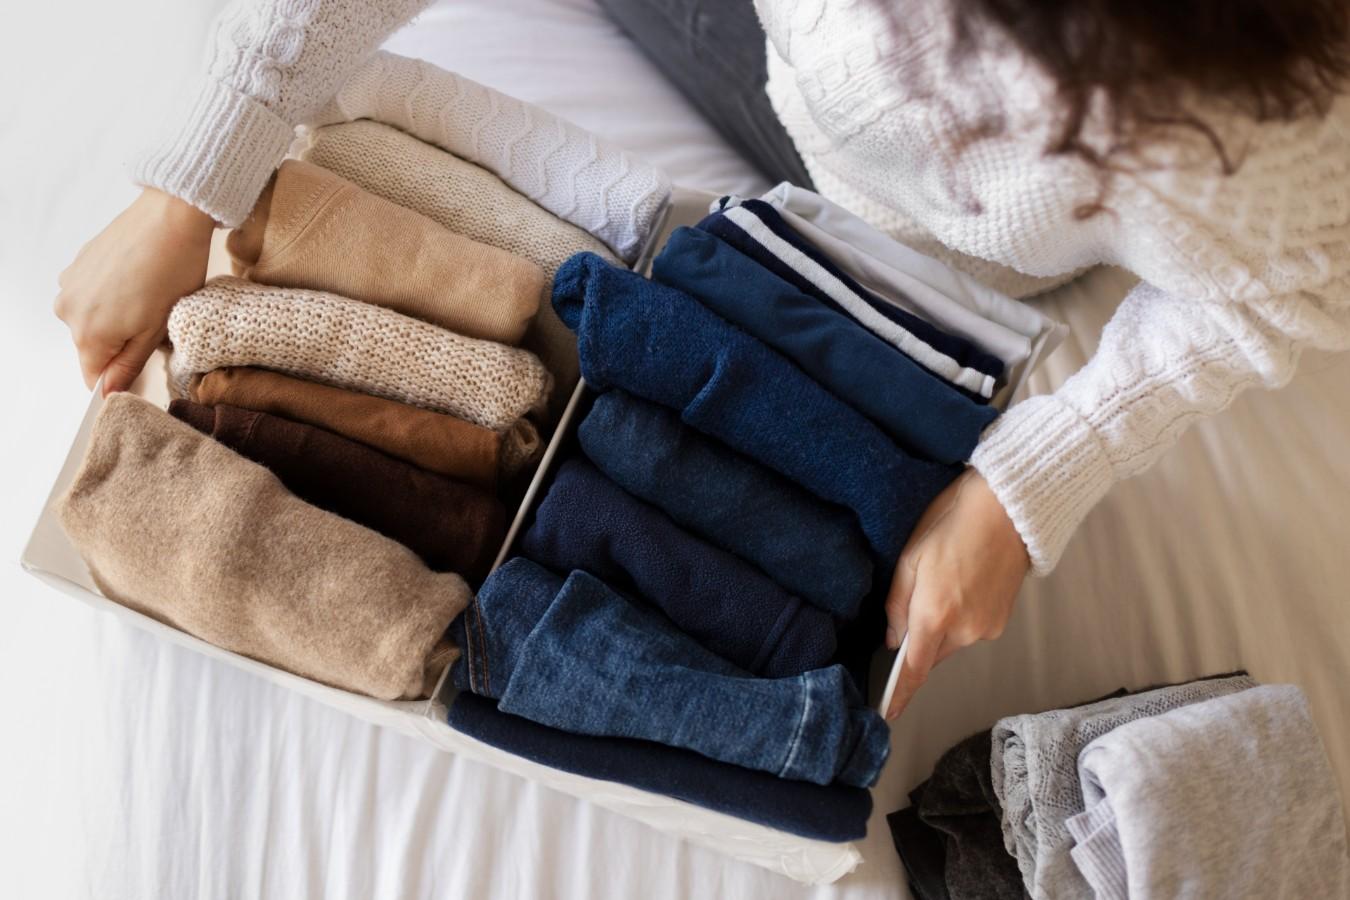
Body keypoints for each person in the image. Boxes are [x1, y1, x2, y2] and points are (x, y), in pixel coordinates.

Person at [54, 0, 1350, 721]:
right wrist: (191, 183)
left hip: (964, 224)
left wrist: (1030, 484)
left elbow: (1270, 293)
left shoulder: (1282, 132)